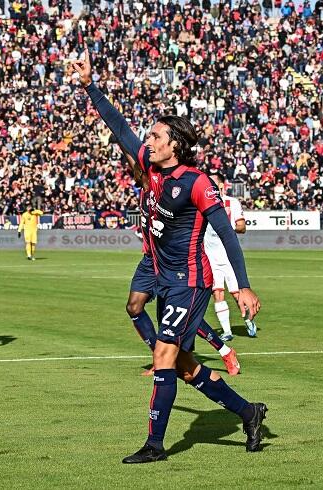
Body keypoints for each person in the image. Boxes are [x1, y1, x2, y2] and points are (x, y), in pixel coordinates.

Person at [71, 49, 266, 464]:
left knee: (163, 354)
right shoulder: (152, 169)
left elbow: (227, 234)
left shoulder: (196, 182)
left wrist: (243, 285)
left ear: (175, 144)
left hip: (189, 281)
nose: (148, 141)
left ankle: (155, 446)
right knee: (184, 366)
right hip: (162, 277)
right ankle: (249, 412)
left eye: (156, 136)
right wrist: (90, 86)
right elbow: (119, 128)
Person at [124, 156, 241, 376]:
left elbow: (136, 159)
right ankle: (159, 357)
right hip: (151, 260)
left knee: (181, 316)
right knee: (134, 306)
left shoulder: (158, 186)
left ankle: (224, 350)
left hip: (175, 262)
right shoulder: (143, 192)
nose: (133, 175)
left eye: (136, 171)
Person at [204, 171, 258, 339]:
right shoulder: (202, 203)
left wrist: (226, 230)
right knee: (217, 293)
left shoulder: (231, 202)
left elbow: (242, 227)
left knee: (236, 294)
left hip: (228, 257)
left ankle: (248, 321)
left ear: (221, 185)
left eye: (212, 183)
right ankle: (227, 332)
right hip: (211, 258)